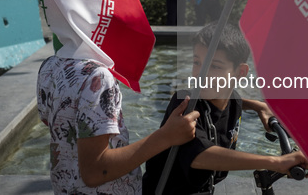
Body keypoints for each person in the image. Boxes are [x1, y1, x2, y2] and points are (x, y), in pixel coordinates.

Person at [142, 23, 308, 195]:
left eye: (214, 66)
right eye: (197, 62)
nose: (202, 73)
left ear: (240, 72)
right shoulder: (185, 105)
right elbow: (201, 156)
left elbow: (233, 100)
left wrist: (258, 106)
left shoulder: (234, 102)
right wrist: (275, 162)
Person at [37, 57, 200, 194]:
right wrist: (166, 137)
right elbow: (95, 172)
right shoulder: (98, 76)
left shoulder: (49, 65)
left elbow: (50, 122)